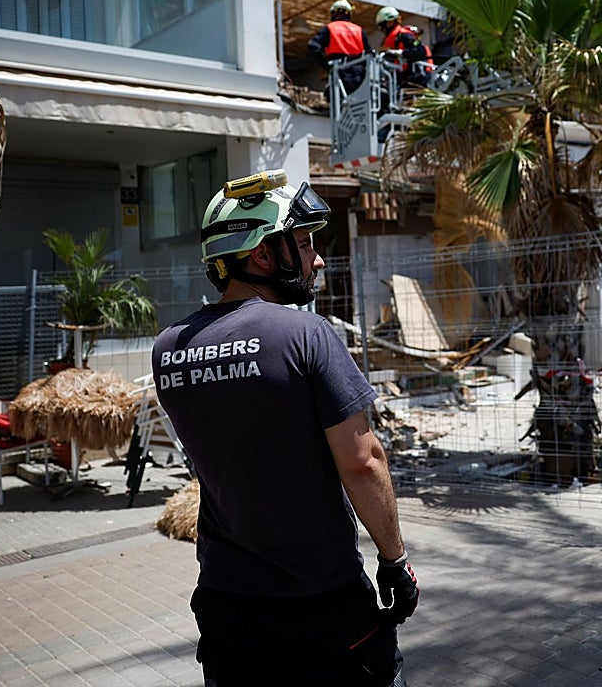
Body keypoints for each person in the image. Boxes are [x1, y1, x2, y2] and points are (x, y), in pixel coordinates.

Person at [152, 169, 417, 686]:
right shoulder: (306, 334)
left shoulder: (170, 349)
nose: (317, 258)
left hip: (227, 604)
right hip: (321, 602)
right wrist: (394, 559)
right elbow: (362, 463)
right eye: (303, 242)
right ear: (262, 254)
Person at [308, 0, 372, 96]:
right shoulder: (359, 30)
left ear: (333, 14)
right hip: (358, 77)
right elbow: (369, 54)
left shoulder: (330, 28)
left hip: (340, 74)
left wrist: (326, 65)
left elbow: (313, 46)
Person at [376, 6, 433, 89]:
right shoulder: (393, 38)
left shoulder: (404, 35)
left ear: (390, 22)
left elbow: (420, 51)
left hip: (415, 77)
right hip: (403, 78)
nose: (382, 29)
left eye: (382, 26)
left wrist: (400, 53)